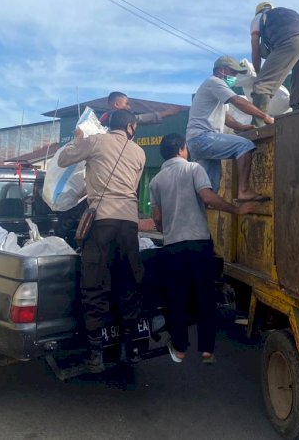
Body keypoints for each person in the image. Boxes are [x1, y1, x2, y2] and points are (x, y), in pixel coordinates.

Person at [150, 133, 259, 364]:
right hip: (199, 243)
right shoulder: (193, 169)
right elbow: (208, 198)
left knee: (176, 298)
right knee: (205, 296)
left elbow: (157, 218)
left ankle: (179, 349)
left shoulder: (156, 181)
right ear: (181, 148)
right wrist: (236, 210)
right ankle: (207, 350)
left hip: (173, 248)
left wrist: (167, 227)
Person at [57, 109, 146, 372]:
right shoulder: (139, 152)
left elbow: (63, 159)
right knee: (129, 282)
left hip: (102, 221)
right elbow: (131, 187)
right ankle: (130, 349)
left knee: (94, 285)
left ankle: (96, 354)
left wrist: (77, 139)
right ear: (131, 126)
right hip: (129, 223)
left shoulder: (96, 142)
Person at [186, 55, 273, 201]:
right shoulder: (214, 82)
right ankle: (243, 191)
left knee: (209, 189)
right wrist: (265, 116)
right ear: (222, 70)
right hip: (203, 138)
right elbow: (238, 101)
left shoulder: (214, 89)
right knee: (244, 145)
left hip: (198, 140)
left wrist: (241, 126)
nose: (235, 77)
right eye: (233, 73)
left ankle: (198, 212)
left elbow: (225, 117)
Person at [250, 2, 299, 119]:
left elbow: (255, 47)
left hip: (290, 40)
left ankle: (258, 126)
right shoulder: (284, 13)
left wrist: (258, 74)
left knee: (261, 86)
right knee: (298, 90)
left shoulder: (258, 18)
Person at [100, 91, 181, 127]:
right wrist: (166, 113)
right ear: (116, 104)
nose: (129, 107)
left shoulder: (104, 117)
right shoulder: (113, 117)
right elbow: (140, 119)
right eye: (126, 103)